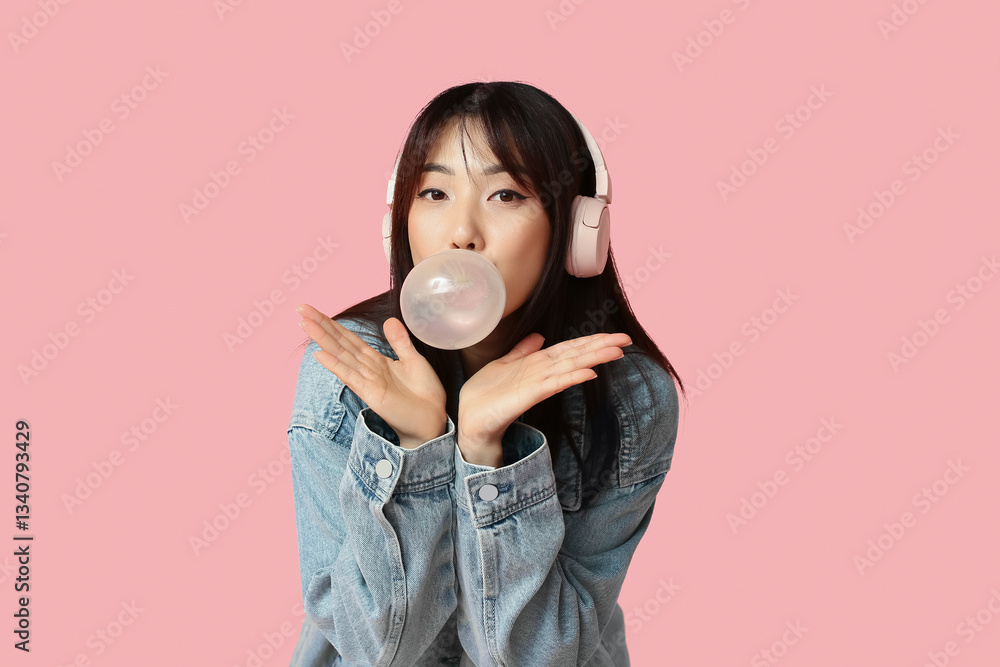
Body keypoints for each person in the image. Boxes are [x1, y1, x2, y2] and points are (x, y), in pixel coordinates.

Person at [287, 81, 684, 667]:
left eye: (503, 194)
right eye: (434, 193)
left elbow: (538, 657)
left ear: (579, 230)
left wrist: (487, 455)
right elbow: (375, 651)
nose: (461, 233)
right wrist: (416, 448)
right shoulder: (349, 376)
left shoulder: (630, 398)